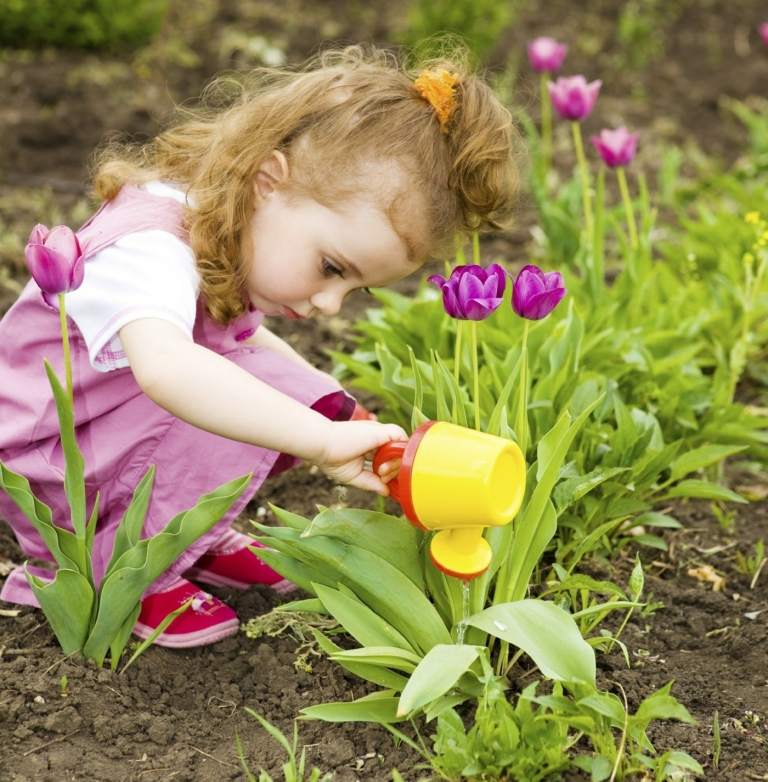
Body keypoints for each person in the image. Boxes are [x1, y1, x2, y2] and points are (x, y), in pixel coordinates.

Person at [0, 44, 521, 647]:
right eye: (331, 267)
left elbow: (243, 340)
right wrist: (318, 437)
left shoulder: (220, 229)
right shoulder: (148, 248)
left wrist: (334, 408)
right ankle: (117, 567)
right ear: (267, 181)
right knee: (228, 404)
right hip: (50, 463)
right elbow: (169, 369)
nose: (329, 304)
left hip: (110, 434)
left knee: (280, 391)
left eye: (354, 289)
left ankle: (186, 536)